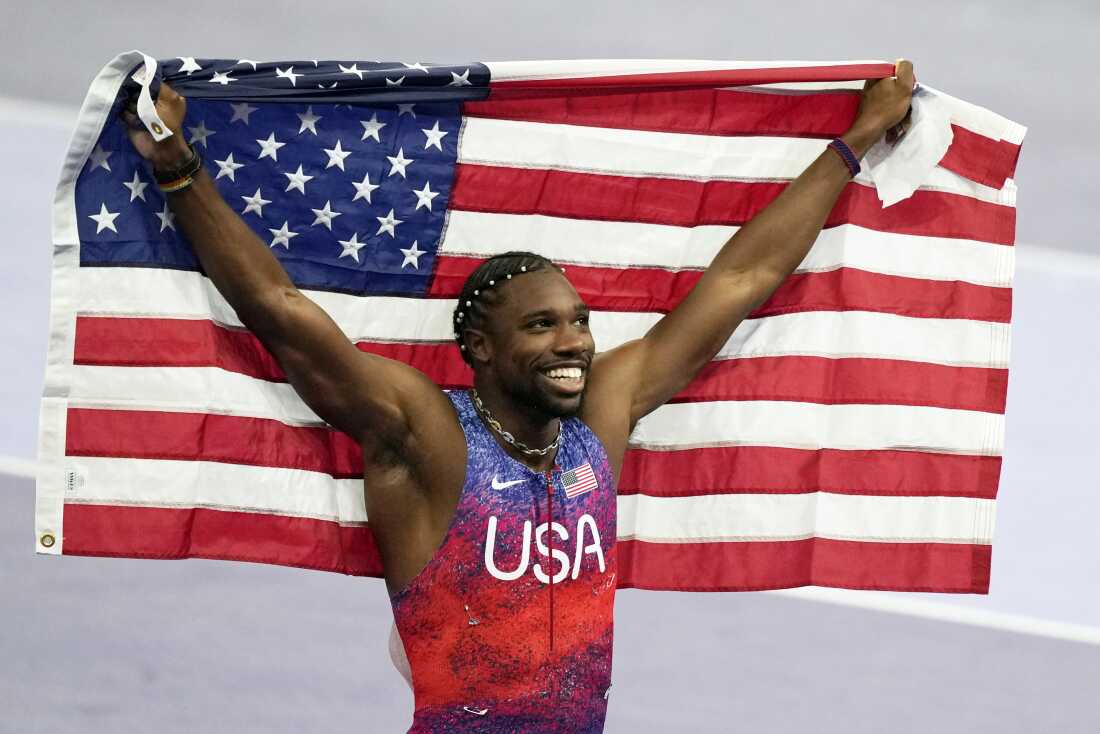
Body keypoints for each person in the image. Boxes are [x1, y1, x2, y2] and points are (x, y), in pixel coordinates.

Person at [122, 59, 915, 733]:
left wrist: (851, 146)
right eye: (542, 326)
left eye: (579, 322)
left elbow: (742, 279)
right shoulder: (424, 436)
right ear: (481, 349)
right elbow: (284, 314)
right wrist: (176, 169)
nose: (574, 342)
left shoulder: (599, 423)